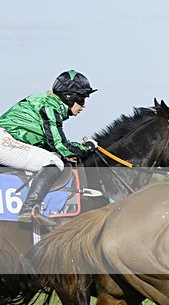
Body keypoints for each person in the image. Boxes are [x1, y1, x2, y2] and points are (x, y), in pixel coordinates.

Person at [0, 70, 98, 228]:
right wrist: (85, 148)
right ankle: (29, 209)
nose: (83, 105)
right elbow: (60, 145)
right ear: (68, 96)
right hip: (3, 140)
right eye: (81, 98)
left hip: (6, 139)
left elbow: (49, 142)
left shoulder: (47, 102)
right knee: (53, 162)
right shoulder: (51, 106)